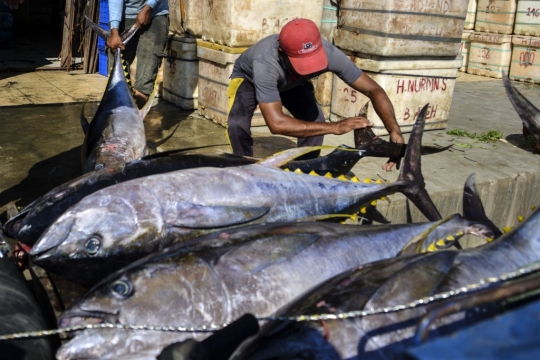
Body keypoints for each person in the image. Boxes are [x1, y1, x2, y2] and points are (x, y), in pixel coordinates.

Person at [226, 18, 404, 171]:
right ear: (282, 53)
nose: (311, 67)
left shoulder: (329, 52)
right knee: (237, 124)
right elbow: (276, 123)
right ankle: (245, 168)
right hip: (248, 78)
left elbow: (374, 89)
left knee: (316, 122)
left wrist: (394, 129)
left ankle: (304, 169)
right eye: (303, 62)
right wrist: (335, 127)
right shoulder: (265, 63)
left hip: (293, 82)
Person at [106, 0, 169, 108]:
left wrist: (147, 8)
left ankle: (136, 113)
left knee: (146, 76)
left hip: (155, 13)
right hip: (124, 14)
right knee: (116, 81)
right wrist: (114, 31)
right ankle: (122, 115)